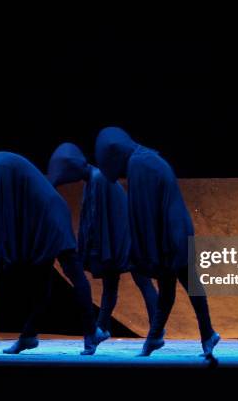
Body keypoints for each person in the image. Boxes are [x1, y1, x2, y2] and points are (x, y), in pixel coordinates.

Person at [0, 139, 100, 355]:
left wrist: (3, 252)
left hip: (52, 219)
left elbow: (5, 215)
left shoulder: (0, 167)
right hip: (41, 222)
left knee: (73, 273)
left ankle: (91, 332)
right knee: (41, 284)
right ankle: (28, 335)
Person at [94, 127, 220, 357]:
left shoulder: (139, 164)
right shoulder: (145, 158)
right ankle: (159, 338)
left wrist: (143, 248)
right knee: (171, 287)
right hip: (174, 227)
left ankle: (205, 333)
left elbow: (143, 209)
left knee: (183, 282)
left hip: (170, 232)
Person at [47, 142, 158, 342]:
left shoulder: (99, 179)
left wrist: (102, 251)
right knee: (111, 286)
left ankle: (155, 329)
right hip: (120, 240)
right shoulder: (94, 179)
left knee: (142, 282)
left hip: (128, 239)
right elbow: (95, 219)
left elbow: (101, 219)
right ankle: (101, 328)